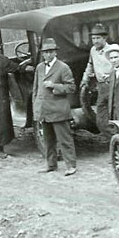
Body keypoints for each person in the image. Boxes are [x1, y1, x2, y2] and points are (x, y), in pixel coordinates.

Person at [32, 38, 77, 176]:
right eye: (45, 52)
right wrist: (36, 106)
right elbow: (36, 88)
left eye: (50, 52)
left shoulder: (63, 67)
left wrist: (55, 86)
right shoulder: (40, 67)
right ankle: (51, 164)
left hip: (58, 110)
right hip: (44, 110)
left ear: (55, 53)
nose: (47, 55)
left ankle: (71, 165)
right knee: (48, 140)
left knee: (64, 140)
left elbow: (71, 87)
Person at [81, 23, 114, 135]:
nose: (95, 41)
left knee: (115, 113)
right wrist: (85, 79)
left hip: (114, 86)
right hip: (101, 87)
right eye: (93, 38)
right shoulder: (93, 50)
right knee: (101, 117)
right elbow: (90, 64)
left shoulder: (112, 50)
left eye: (98, 38)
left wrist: (111, 76)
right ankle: (110, 137)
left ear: (104, 38)